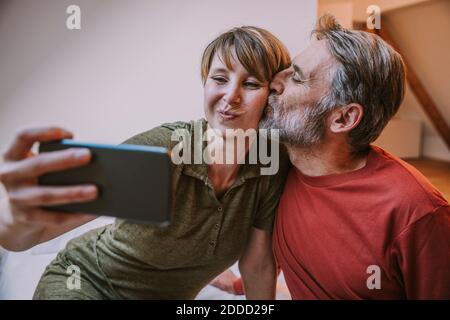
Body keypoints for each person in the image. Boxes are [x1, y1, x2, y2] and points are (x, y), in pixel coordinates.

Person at [0, 26, 291, 299]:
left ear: (272, 96)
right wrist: (14, 217)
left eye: (251, 83)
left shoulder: (270, 163)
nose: (230, 96)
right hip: (89, 285)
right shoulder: (163, 149)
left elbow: (257, 263)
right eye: (219, 79)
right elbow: (30, 236)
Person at [215, 14, 450, 299]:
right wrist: (239, 286)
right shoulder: (279, 169)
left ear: (343, 118)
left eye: (296, 77)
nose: (274, 82)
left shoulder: (417, 213)